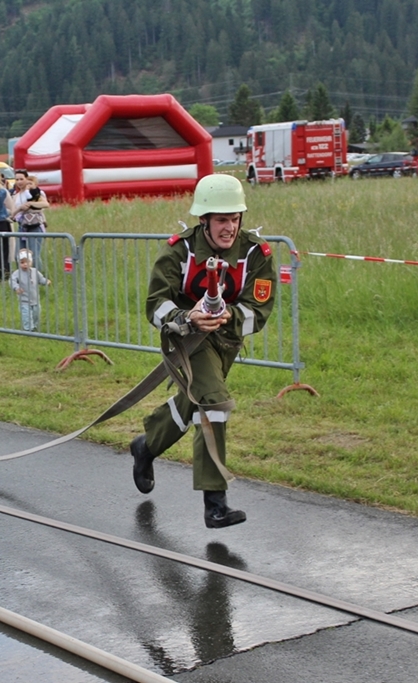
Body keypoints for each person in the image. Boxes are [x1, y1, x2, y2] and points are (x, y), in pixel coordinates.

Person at [130, 174, 276, 528]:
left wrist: (227, 316)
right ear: (204, 220)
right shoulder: (179, 250)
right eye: (222, 220)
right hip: (187, 340)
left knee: (193, 404)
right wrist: (185, 316)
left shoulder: (258, 254)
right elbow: (155, 304)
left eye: (235, 219)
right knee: (213, 406)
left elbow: (260, 311)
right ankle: (215, 504)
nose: (230, 228)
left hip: (225, 344)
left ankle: (146, 446)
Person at [9, 248, 50, 331]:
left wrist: (46, 281)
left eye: (27, 262)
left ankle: (34, 326)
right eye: (22, 262)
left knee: (36, 314)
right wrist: (16, 288)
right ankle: (28, 329)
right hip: (24, 300)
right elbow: (11, 281)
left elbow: (40, 279)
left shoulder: (35, 271)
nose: (25, 264)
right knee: (27, 315)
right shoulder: (17, 273)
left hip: (35, 300)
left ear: (31, 262)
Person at [12, 170, 48, 259]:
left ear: (26, 179)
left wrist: (31, 204)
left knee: (34, 255)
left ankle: (37, 272)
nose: (19, 182)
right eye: (17, 180)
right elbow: (12, 213)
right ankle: (23, 273)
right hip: (22, 226)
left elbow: (45, 204)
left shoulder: (34, 192)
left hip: (34, 226)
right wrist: (19, 209)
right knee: (19, 256)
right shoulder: (16, 196)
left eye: (21, 179)